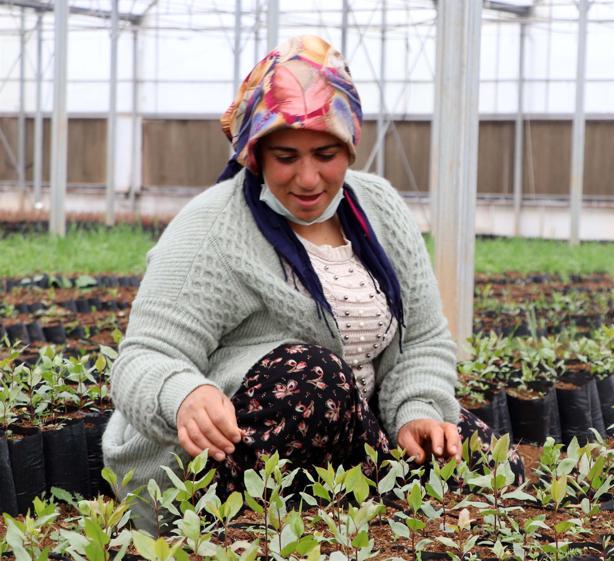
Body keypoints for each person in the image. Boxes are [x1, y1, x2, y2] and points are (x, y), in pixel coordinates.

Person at [102, 34, 524, 533]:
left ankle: (372, 520)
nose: (307, 177)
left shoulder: (379, 207)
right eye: (286, 157)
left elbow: (425, 339)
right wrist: (183, 394)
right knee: (313, 380)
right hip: (224, 457)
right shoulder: (213, 228)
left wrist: (417, 412)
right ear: (254, 153)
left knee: (488, 467)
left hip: (357, 433)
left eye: (326, 154)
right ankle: (222, 533)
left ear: (350, 144)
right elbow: (144, 356)